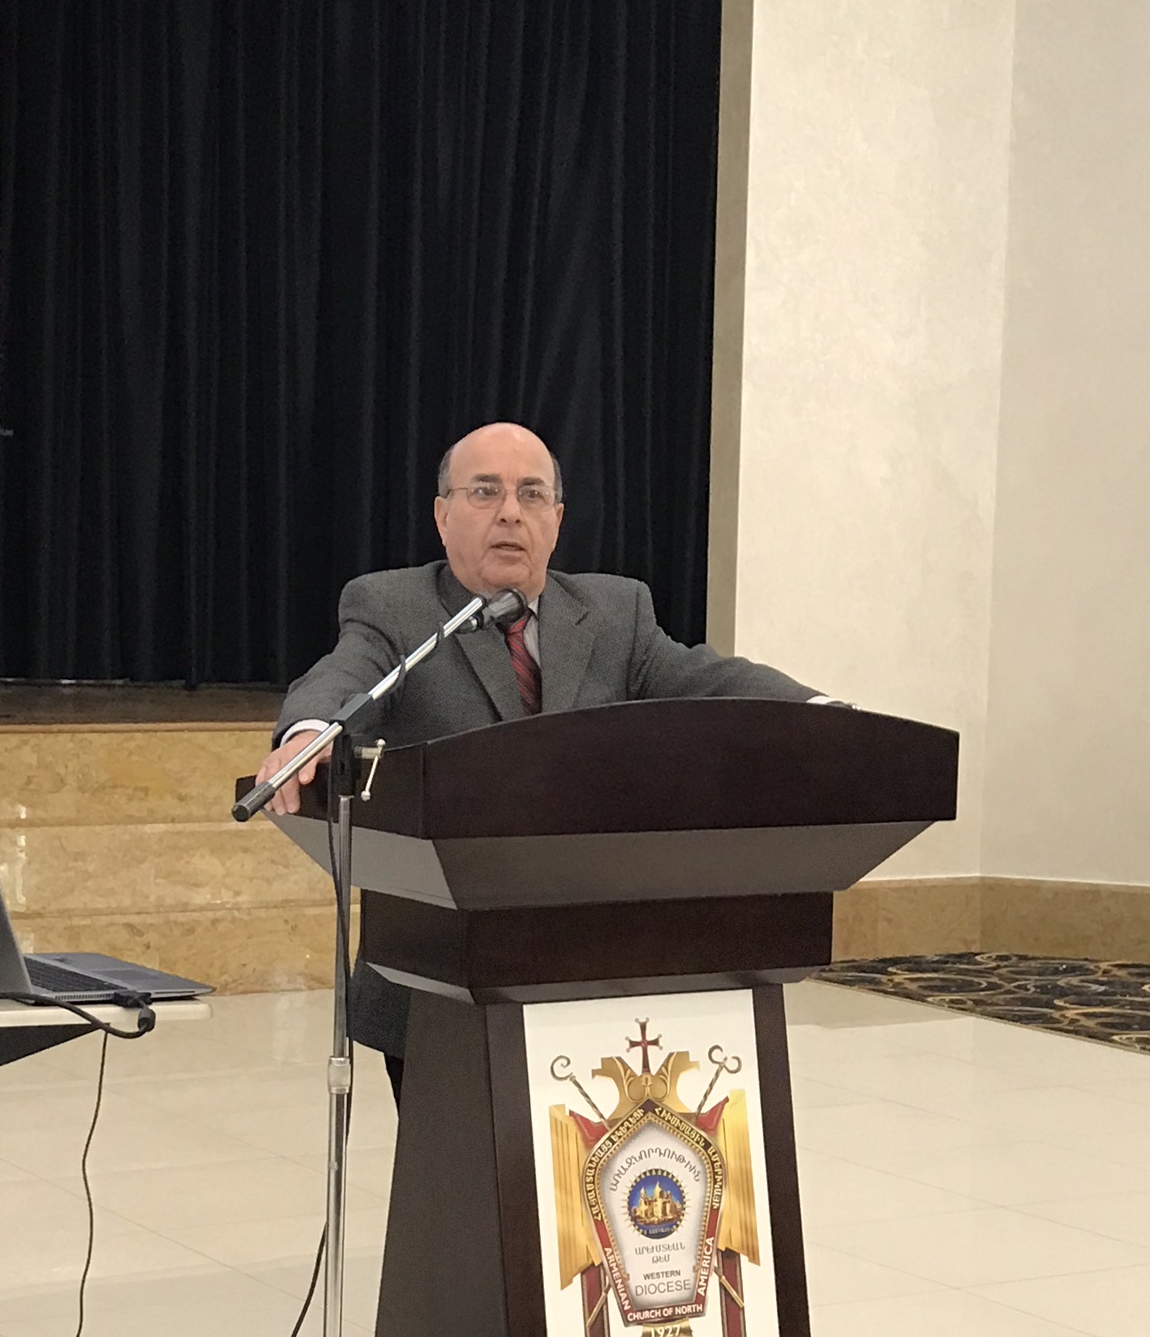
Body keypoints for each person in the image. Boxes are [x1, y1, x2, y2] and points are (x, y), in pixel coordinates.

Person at [257, 421, 841, 1099]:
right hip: (439, 978)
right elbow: (346, 674)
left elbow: (704, 676)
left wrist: (822, 714)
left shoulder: (616, 611)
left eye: (531, 494)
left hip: (592, 966)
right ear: (442, 516)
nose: (511, 512)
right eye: (485, 491)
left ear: (557, 520)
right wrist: (309, 729)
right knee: (456, 1164)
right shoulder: (395, 607)